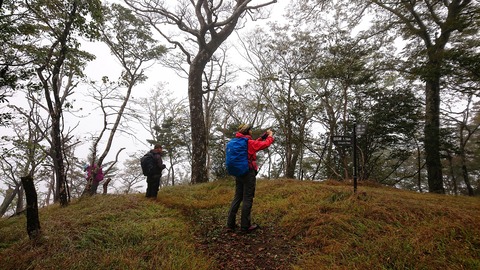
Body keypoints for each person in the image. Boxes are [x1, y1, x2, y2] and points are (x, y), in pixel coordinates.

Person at [227, 124, 274, 233]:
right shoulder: (248, 143)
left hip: (238, 172)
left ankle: (230, 224)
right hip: (248, 173)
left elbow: (254, 145)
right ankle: (245, 226)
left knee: (237, 197)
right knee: (248, 198)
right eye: (250, 130)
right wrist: (270, 136)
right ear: (248, 132)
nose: (252, 132)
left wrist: (263, 136)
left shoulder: (236, 143)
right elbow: (265, 144)